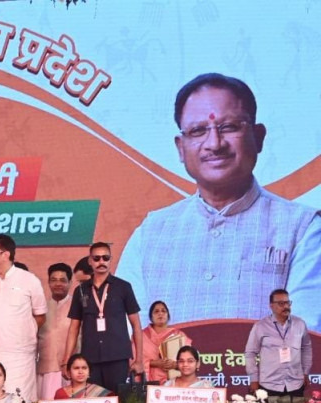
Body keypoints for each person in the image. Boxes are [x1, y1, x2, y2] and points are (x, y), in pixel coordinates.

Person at [117, 72, 321, 327]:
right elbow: (128, 336)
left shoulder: (304, 230)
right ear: (180, 148)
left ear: (258, 137)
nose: (214, 144)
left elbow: (306, 337)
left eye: (229, 127)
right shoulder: (150, 235)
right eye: (198, 131)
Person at [0, 234, 46, 403]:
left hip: (19, 357)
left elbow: (40, 315)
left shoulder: (29, 280)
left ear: (6, 254)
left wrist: (24, 333)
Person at [65, 242, 147, 390]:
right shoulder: (81, 290)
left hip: (118, 356)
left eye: (105, 258)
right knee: (94, 400)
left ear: (111, 260)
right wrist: (66, 360)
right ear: (90, 261)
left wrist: (139, 360)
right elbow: (73, 328)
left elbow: (136, 325)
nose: (101, 262)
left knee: (117, 399)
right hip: (90, 358)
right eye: (96, 258)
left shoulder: (123, 287)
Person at [246, 289, 312, 397]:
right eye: (281, 303)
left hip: (295, 384)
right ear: (271, 306)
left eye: (288, 303)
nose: (286, 306)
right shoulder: (260, 326)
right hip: (269, 385)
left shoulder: (300, 324)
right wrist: (254, 379)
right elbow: (250, 353)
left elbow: (306, 348)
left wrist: (305, 372)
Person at [38, 263, 74, 400]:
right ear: (48, 282)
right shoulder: (41, 308)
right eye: (54, 280)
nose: (58, 284)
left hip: (72, 371)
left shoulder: (77, 307)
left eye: (62, 280)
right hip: (46, 369)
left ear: (70, 283)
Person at [135, 301, 191, 383]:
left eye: (163, 311)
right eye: (156, 311)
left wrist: (175, 364)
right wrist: (155, 363)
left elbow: (190, 360)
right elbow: (133, 360)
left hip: (174, 383)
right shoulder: (140, 336)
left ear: (168, 316)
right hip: (147, 383)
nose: (160, 313)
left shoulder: (179, 335)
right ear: (151, 317)